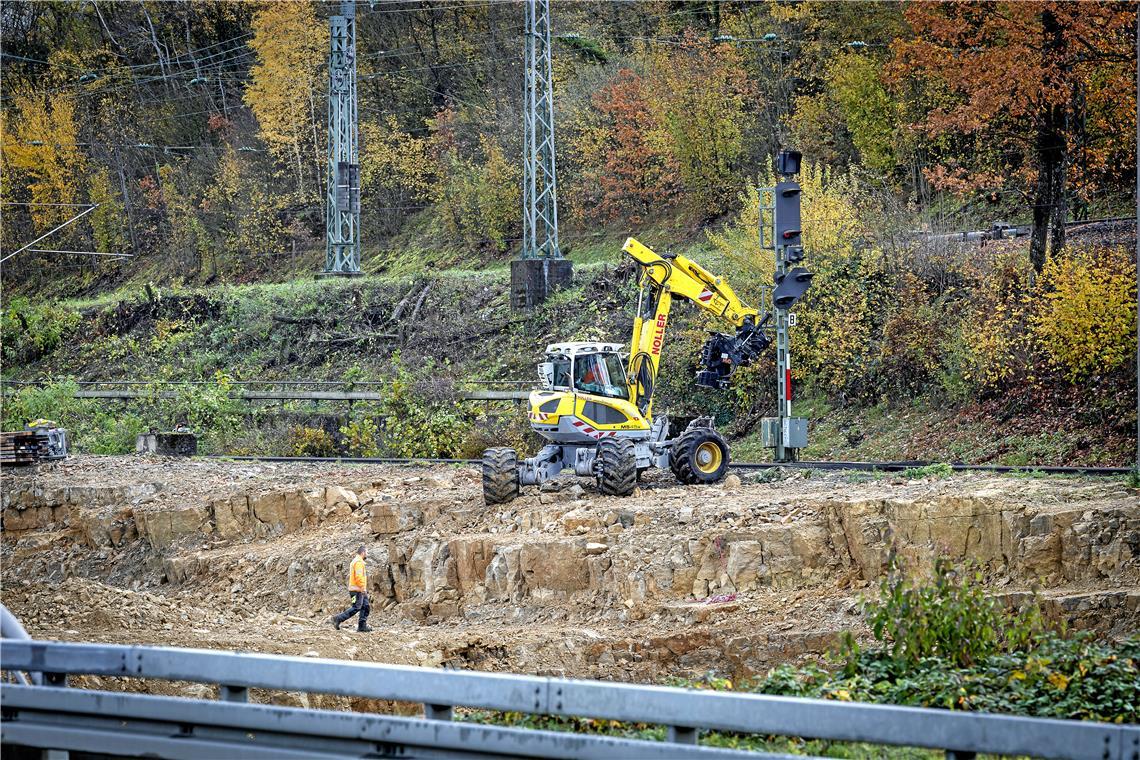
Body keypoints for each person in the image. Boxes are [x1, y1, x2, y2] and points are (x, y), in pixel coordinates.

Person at [330, 545, 372, 632]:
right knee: (356, 607)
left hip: (358, 590)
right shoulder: (358, 562)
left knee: (366, 606)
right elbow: (359, 576)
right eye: (366, 552)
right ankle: (337, 618)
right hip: (357, 590)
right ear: (363, 553)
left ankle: (362, 626)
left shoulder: (357, 561)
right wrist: (362, 587)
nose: (367, 554)